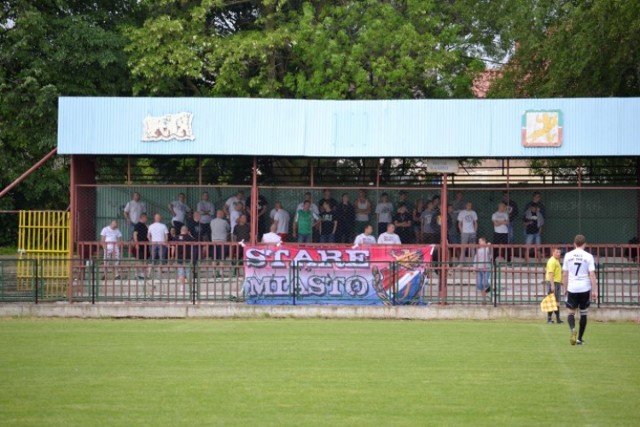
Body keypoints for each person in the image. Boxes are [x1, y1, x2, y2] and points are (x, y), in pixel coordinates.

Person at [562, 234, 597, 345]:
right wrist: (595, 290)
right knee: (583, 313)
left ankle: (573, 329)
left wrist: (564, 288)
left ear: (574, 244)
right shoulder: (588, 256)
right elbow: (592, 274)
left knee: (570, 313)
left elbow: (565, 274)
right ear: (585, 244)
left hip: (572, 287)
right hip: (584, 288)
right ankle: (579, 339)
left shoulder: (568, 255)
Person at [545, 248, 564, 324]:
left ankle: (558, 319)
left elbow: (557, 272)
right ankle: (549, 319)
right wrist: (552, 285)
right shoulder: (552, 261)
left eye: (559, 252)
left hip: (557, 282)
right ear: (553, 252)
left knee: (557, 302)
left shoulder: (556, 261)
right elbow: (550, 273)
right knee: (551, 301)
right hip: (552, 283)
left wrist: (560, 280)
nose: (558, 254)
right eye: (557, 252)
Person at [174, 225, 195, 292]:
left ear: (181, 230)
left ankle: (182, 286)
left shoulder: (176, 237)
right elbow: (194, 242)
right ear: (187, 231)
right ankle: (190, 287)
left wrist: (173, 256)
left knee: (181, 272)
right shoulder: (189, 237)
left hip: (179, 257)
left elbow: (173, 246)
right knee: (188, 272)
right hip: (187, 257)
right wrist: (190, 234)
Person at [473, 237, 492, 302]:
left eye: (480, 241)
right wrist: (474, 267)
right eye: (479, 241)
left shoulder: (487, 249)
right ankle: (484, 299)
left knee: (485, 283)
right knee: (479, 284)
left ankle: (490, 287)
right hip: (479, 268)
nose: (479, 243)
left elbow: (489, 249)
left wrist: (488, 245)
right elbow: (476, 259)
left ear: (484, 242)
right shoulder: (478, 250)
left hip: (486, 268)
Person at [132, 213, 149, 279]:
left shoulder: (146, 226)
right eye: (146, 218)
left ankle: (142, 274)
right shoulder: (137, 225)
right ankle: (137, 274)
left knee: (144, 260)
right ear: (142, 217)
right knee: (139, 260)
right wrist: (136, 244)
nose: (146, 219)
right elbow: (135, 234)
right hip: (139, 245)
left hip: (146, 245)